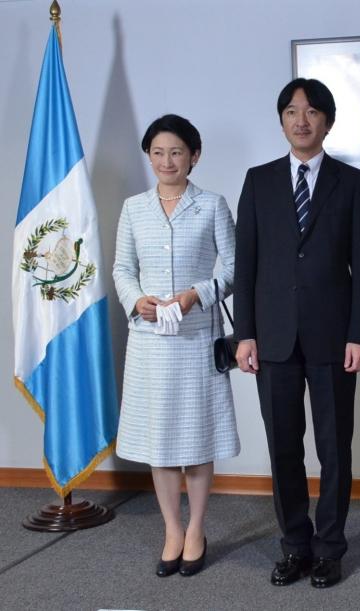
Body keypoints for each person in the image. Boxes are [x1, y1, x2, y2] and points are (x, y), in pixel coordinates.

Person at [233, 78, 360, 589]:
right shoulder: (259, 180)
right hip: (272, 340)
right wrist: (244, 334)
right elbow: (245, 264)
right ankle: (295, 544)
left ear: (328, 121)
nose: (301, 119)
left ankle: (330, 548)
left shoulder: (352, 183)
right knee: (283, 448)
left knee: (335, 448)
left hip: (334, 339)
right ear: (281, 120)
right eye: (292, 111)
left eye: (312, 111)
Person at [113, 114, 239, 578]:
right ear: (148, 156)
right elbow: (122, 268)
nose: (168, 160)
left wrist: (195, 294)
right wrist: (137, 300)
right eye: (158, 152)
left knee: (195, 438)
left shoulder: (211, 206)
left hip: (194, 339)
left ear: (194, 156)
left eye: (177, 152)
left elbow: (233, 268)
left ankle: (197, 529)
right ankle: (171, 529)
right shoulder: (133, 208)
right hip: (149, 342)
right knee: (159, 441)